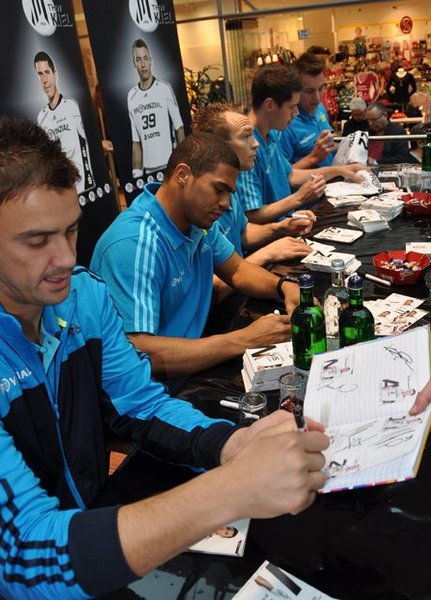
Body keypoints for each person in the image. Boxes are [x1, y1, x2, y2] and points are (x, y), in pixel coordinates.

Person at [0, 115, 329, 600]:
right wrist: (230, 489)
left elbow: (139, 403)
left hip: (90, 527)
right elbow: (26, 555)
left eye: (70, 231)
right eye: (37, 240)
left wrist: (231, 444)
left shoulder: (83, 298)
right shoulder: (118, 257)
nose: (67, 257)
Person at [91, 132, 301, 384]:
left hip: (193, 367)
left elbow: (237, 270)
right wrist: (244, 340)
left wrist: (285, 286)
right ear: (182, 175)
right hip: (155, 392)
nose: (226, 204)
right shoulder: (134, 243)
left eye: (229, 193)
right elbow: (140, 352)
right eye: (219, 189)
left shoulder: (197, 222)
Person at [238, 64, 367, 225]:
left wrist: (340, 170)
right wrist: (298, 198)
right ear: (270, 105)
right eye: (292, 107)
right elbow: (251, 215)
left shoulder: (271, 134)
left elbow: (290, 175)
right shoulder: (246, 147)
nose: (296, 113)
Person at [192, 102, 315, 265]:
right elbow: (212, 279)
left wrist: (281, 228)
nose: (255, 144)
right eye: (245, 137)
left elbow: (242, 233)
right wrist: (267, 254)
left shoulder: (230, 186)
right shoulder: (200, 205)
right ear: (218, 146)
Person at [34, 50, 95, 195]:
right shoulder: (41, 117)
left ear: (55, 74)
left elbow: (87, 145)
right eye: (40, 74)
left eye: (47, 72)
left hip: (82, 186)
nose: (44, 80)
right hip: (61, 190)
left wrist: (88, 181)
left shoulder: (72, 106)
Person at [128, 38, 185, 184]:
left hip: (170, 165)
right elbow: (136, 142)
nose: (143, 64)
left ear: (151, 61)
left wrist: (182, 161)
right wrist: (137, 175)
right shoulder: (131, 96)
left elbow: (179, 128)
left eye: (145, 58)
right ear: (134, 63)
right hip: (148, 171)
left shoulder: (164, 88)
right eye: (138, 60)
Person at [280, 52, 336, 169]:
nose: (317, 97)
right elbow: (281, 175)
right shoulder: (285, 125)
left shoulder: (320, 108)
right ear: (295, 90)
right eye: (309, 91)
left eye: (321, 88)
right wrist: (312, 158)